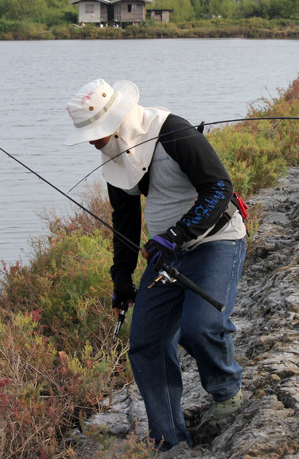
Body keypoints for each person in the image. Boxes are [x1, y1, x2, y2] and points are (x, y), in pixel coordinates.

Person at [64, 79, 247, 451]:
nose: (92, 142)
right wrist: (121, 281)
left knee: (202, 327)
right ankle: (170, 442)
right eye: (89, 136)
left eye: (96, 134)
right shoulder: (116, 158)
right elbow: (126, 225)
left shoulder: (173, 131)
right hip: (168, 255)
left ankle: (227, 392)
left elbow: (219, 188)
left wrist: (176, 234)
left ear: (116, 122)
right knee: (146, 343)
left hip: (216, 241)